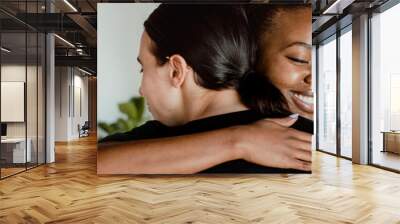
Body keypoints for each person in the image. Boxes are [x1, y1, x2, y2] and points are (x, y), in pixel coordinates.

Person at [98, 4, 312, 174]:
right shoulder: (306, 138)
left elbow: (92, 164)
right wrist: (238, 141)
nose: (141, 90)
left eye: (142, 68)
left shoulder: (149, 142)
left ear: (176, 70)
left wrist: (237, 141)